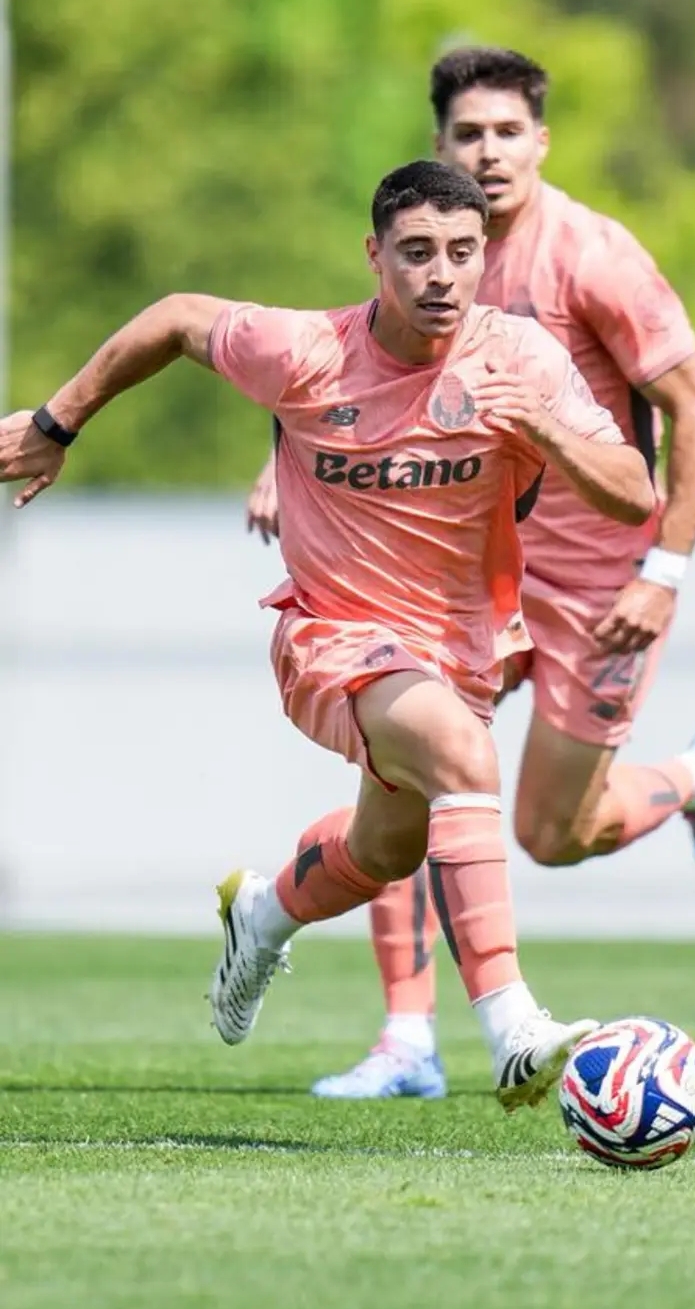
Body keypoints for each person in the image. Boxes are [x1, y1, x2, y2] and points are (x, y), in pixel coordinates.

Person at [0, 159, 657, 1112]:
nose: (442, 275)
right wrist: (61, 421)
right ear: (376, 255)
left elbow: (635, 490)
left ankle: (262, 914)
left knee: (385, 851)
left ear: (485, 258)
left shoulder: (522, 359)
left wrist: (547, 435)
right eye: (418, 252)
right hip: (332, 638)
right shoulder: (307, 351)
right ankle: (511, 1023)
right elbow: (179, 317)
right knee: (466, 759)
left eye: (463, 254)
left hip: (457, 650)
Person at [247, 47, 695, 1101]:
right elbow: (353, 384)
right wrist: (279, 468)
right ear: (442, 150)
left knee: (551, 833)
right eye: (470, 134)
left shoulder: (594, 259)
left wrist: (664, 571)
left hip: (598, 581)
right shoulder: (437, 247)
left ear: (541, 142)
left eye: (508, 133)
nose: (490, 151)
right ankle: (406, 1038)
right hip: (463, 569)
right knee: (419, 765)